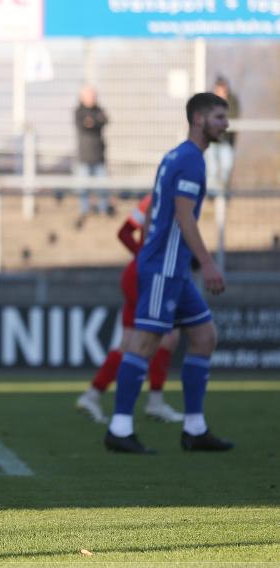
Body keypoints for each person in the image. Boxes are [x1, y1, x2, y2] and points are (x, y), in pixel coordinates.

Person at [104, 92, 234, 454]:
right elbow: (183, 215)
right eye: (220, 117)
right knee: (144, 344)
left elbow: (158, 215)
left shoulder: (177, 155)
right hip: (164, 268)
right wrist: (207, 263)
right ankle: (119, 428)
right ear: (198, 119)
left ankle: (194, 429)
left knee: (204, 337)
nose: (226, 124)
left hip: (171, 267)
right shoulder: (190, 160)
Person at [75, 194, 183, 424]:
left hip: (138, 275)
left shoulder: (152, 200)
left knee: (131, 343)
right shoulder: (163, 200)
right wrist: (147, 258)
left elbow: (125, 232)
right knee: (166, 337)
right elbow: (125, 233)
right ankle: (154, 402)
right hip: (146, 278)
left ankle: (93, 395)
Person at [74, 85, 112, 225]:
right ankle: (84, 210)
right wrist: (94, 122)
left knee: (102, 185)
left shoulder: (99, 110)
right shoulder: (79, 111)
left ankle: (103, 209)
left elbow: (104, 120)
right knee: (83, 186)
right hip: (84, 156)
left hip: (98, 155)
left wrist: (93, 122)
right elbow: (84, 125)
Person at [205, 76, 240, 195]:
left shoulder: (232, 101)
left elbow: (234, 117)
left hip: (226, 141)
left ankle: (223, 193)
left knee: (226, 166)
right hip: (211, 141)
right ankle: (212, 195)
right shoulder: (209, 101)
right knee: (212, 169)